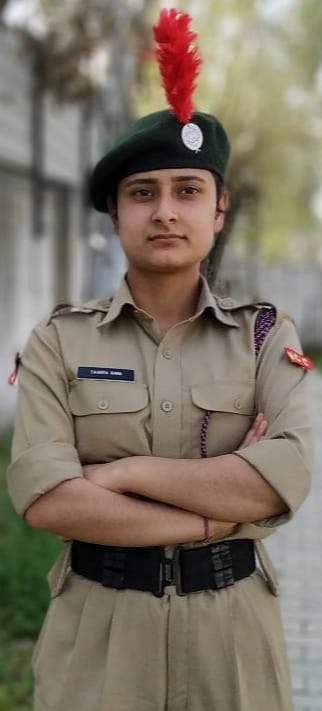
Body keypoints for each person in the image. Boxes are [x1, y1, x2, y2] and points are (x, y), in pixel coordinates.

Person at [7, 8, 313, 711]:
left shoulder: (265, 333)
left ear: (220, 209)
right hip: (98, 640)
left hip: (232, 641)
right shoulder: (59, 340)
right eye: (143, 194)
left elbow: (284, 477)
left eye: (187, 190)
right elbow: (46, 495)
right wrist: (213, 513)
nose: (166, 211)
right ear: (115, 214)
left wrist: (125, 473)